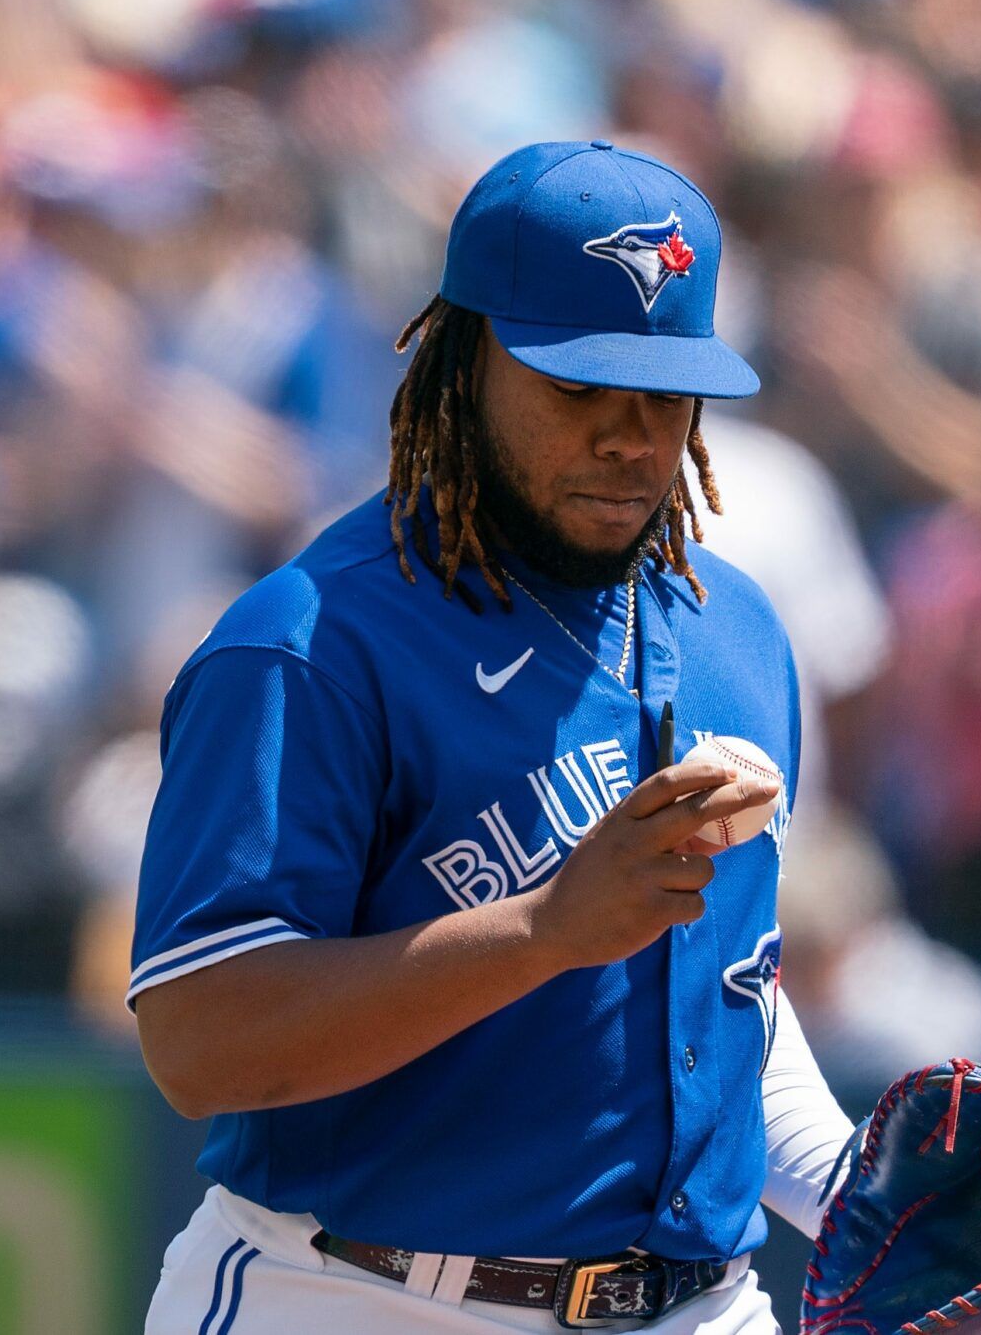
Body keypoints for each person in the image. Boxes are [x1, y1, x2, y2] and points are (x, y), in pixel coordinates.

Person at [129, 141, 858, 1333]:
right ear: (464, 364)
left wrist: (849, 1189)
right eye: (578, 388)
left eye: (666, 393)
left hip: (695, 1308)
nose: (630, 436)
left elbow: (724, 997)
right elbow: (200, 1042)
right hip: (352, 1295)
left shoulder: (737, 635)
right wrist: (541, 933)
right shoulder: (309, 646)